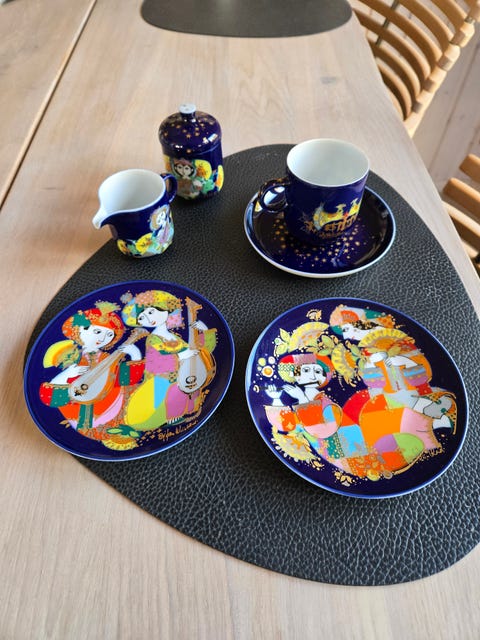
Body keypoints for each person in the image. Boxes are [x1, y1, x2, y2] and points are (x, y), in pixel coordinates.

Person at [39, 301, 144, 449]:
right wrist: (67, 374)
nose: (102, 338)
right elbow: (50, 394)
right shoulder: (71, 357)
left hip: (109, 404)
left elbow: (123, 378)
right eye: (97, 332)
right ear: (80, 331)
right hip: (79, 408)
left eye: (109, 335)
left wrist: (135, 355)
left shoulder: (107, 358)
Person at [121, 290, 216, 431]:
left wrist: (205, 330)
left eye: (151, 312)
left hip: (182, 376)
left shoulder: (174, 337)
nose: (149, 319)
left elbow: (200, 349)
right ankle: (172, 417)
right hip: (162, 379)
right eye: (142, 318)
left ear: (165, 310)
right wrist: (182, 355)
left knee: (187, 389)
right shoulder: (153, 338)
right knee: (171, 393)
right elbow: (161, 356)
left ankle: (187, 410)